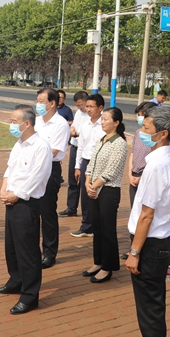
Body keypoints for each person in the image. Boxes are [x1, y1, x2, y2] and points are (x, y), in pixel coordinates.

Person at [126, 105, 170, 336]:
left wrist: (134, 252)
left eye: (146, 128)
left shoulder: (157, 165)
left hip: (149, 245)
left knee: (149, 308)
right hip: (160, 242)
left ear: (163, 134)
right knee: (154, 304)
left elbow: (147, 215)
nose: (141, 132)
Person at [0, 104, 52, 315]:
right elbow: (9, 169)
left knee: (27, 251)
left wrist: (16, 194)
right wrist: (4, 189)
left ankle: (29, 296)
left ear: (26, 123)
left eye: (13, 121)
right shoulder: (19, 144)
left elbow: (37, 177)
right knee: (11, 246)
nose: (11, 125)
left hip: (26, 203)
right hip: (11, 200)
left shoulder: (41, 147)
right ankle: (16, 281)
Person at [82, 107, 127, 283]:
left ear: (116, 123)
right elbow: (91, 163)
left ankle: (108, 267)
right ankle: (98, 262)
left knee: (108, 229)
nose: (102, 122)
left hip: (108, 190)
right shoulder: (102, 139)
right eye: (102, 119)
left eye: (106, 119)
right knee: (97, 228)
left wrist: (93, 185)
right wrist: (87, 182)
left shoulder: (119, 143)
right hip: (94, 188)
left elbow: (111, 170)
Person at [34, 88, 70, 269]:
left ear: (52, 103)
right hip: (32, 169)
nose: (38, 104)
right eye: (37, 101)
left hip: (49, 170)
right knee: (33, 212)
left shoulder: (61, 124)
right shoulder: (36, 121)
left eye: (41, 101)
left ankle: (49, 253)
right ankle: (34, 250)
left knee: (47, 213)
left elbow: (54, 151)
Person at [122, 101, 157, 260]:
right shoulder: (138, 133)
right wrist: (130, 174)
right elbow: (133, 154)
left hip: (147, 177)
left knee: (145, 215)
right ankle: (133, 248)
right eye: (139, 115)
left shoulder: (156, 137)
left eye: (143, 115)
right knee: (135, 213)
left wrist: (142, 177)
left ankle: (141, 249)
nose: (140, 118)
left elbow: (156, 160)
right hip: (134, 177)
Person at [70, 94, 105, 237]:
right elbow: (81, 146)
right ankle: (86, 226)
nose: (88, 109)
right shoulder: (85, 125)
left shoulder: (104, 125)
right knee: (85, 196)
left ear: (100, 108)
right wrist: (77, 166)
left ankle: (98, 226)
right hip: (85, 161)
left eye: (92, 106)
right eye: (87, 106)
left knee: (99, 194)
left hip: (100, 163)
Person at [59, 91, 89, 217]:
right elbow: (74, 127)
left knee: (85, 181)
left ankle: (88, 212)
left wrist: (75, 134)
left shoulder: (93, 115)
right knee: (73, 179)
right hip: (75, 147)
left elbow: (89, 134)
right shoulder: (78, 113)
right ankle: (71, 208)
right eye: (77, 105)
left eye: (81, 105)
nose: (80, 108)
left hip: (86, 150)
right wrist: (72, 130)